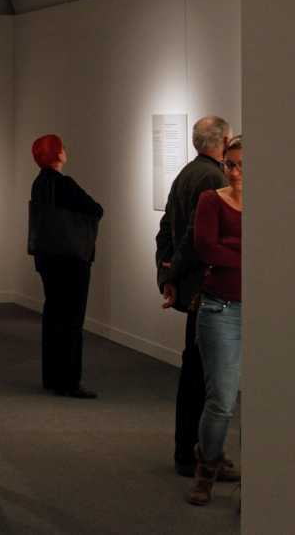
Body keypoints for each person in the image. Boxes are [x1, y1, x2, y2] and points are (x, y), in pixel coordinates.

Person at [155, 115, 240, 481]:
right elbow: (196, 240)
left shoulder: (187, 173)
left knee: (197, 373)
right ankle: (196, 455)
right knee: (202, 379)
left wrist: (167, 277)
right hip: (208, 289)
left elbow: (167, 233)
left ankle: (193, 452)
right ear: (223, 141)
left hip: (195, 286)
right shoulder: (213, 182)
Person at [187, 136, 243, 506]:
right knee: (222, 399)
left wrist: (232, 248)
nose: (236, 172)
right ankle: (206, 467)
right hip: (220, 309)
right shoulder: (211, 200)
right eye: (231, 165)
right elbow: (206, 247)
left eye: (242, 165)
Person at [29, 135, 104, 399]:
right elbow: (96, 209)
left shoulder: (38, 184)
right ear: (58, 154)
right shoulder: (65, 184)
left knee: (53, 315)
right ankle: (69, 381)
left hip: (47, 259)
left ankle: (51, 376)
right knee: (72, 320)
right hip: (72, 260)